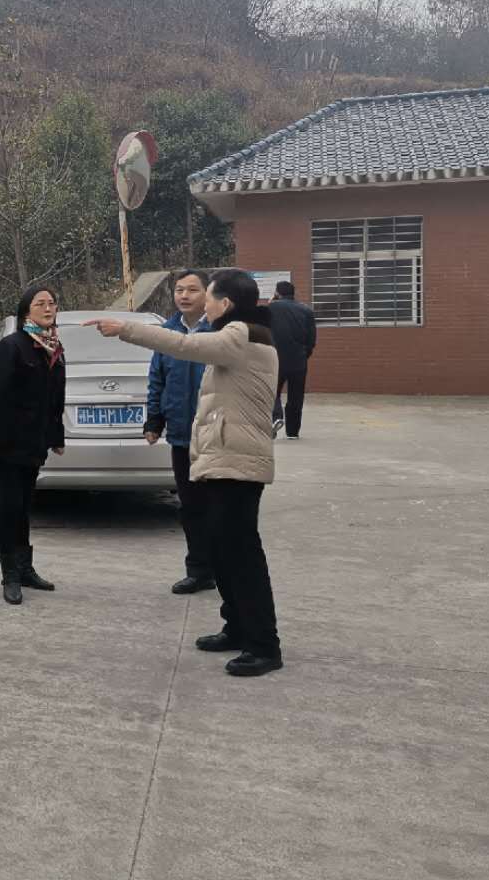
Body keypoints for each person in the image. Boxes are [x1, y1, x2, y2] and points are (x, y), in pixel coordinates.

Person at [85, 268, 284, 677]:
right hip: (222, 459)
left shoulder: (242, 335)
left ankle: (264, 646)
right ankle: (237, 627)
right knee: (223, 550)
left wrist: (126, 329)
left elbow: (182, 344)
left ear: (225, 303)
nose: (203, 303)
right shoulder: (240, 337)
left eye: (207, 296)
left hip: (238, 464)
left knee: (242, 554)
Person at [0, 285, 65, 604]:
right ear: (26, 311)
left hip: (34, 442)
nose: (48, 308)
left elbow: (56, 396)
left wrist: (56, 436)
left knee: (25, 507)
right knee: (10, 507)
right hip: (9, 443)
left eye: (51, 303)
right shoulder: (11, 347)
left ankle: (25, 568)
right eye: (40, 303)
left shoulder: (53, 347)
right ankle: (10, 574)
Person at [144, 269, 217, 595]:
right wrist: (154, 420)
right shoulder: (168, 332)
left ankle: (225, 568)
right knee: (190, 507)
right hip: (181, 435)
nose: (184, 296)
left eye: (192, 289)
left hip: (216, 436)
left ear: (208, 294)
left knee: (218, 507)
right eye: (179, 290)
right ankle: (199, 570)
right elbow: (157, 379)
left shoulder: (220, 332)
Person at [266, 280, 317, 440]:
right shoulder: (306, 310)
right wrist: (304, 354)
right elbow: (311, 339)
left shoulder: (271, 308)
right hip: (298, 360)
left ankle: (276, 417)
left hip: (275, 359)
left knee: (272, 391)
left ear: (277, 293)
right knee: (296, 396)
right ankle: (293, 432)